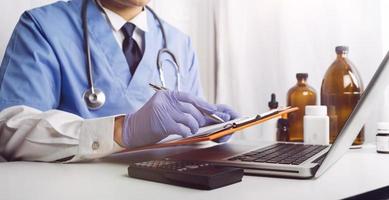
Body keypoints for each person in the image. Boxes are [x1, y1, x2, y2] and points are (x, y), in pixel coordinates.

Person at [0, 0, 238, 162]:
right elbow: (9, 129)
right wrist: (123, 131)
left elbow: (187, 140)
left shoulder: (179, 43)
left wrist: (208, 131)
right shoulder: (43, 27)